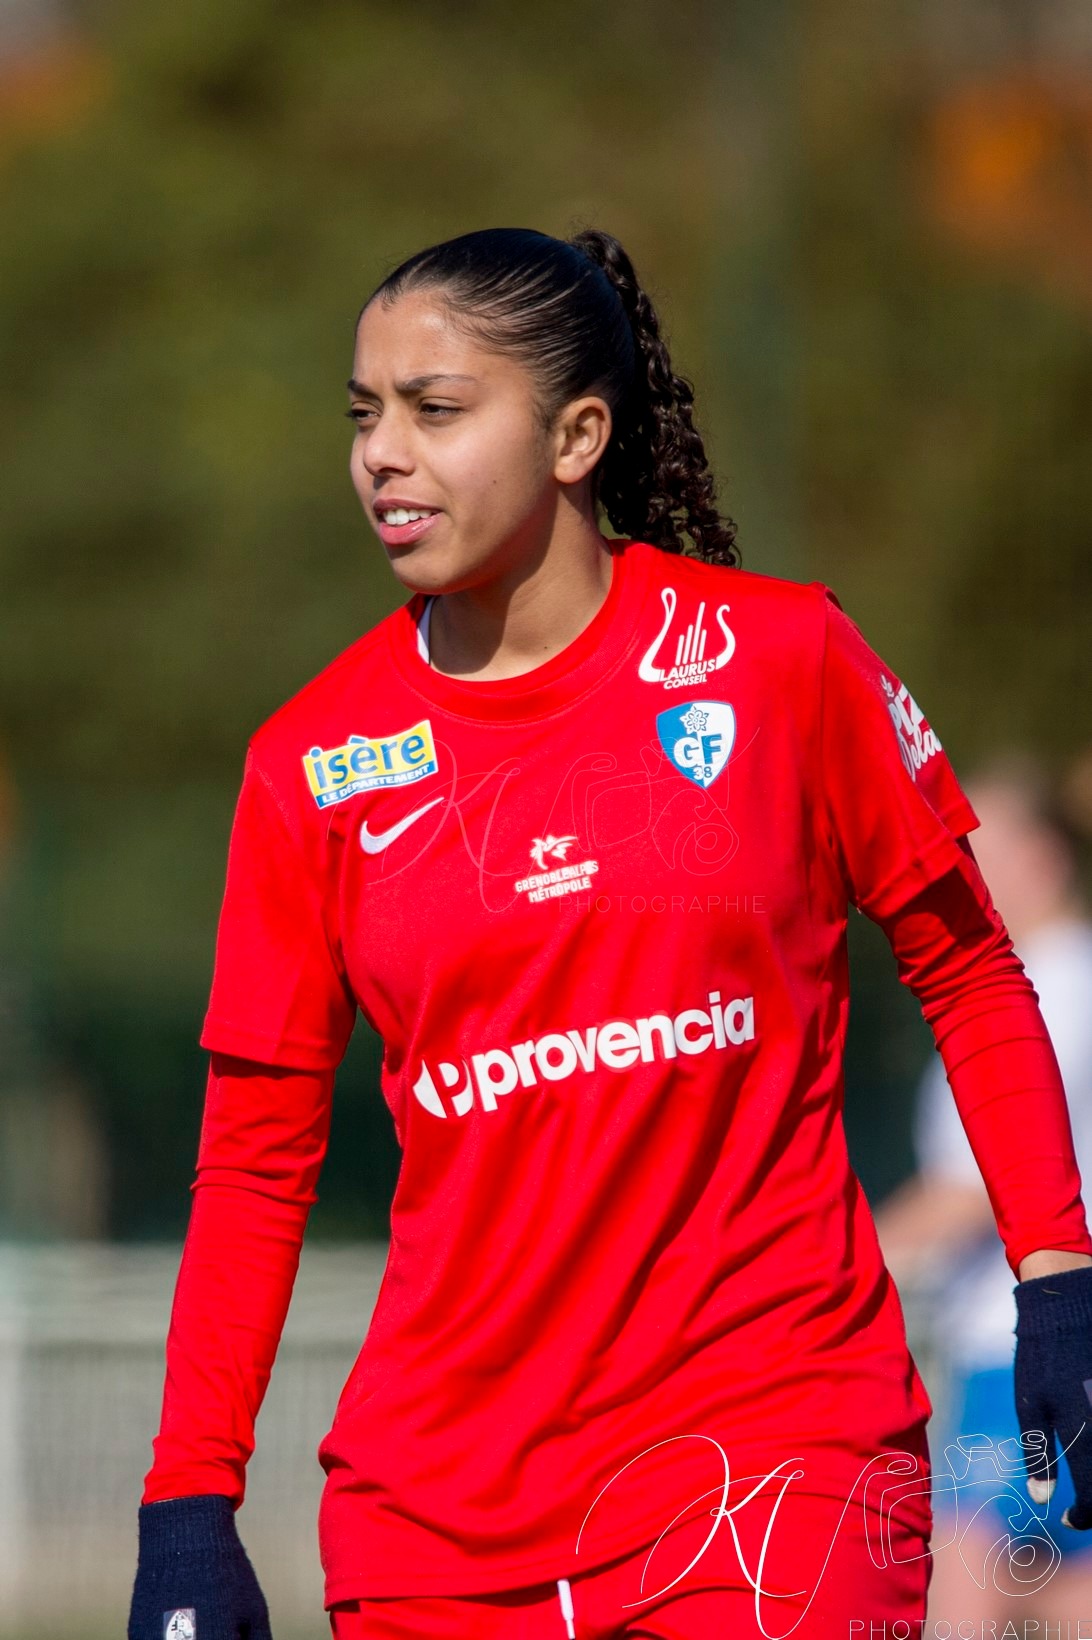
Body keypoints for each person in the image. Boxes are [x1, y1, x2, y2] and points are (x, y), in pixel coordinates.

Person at [127, 227, 1092, 1640]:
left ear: (579, 432)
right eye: (363, 414)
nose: (381, 454)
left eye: (435, 410)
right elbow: (255, 1164)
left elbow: (968, 965)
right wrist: (187, 1501)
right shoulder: (310, 762)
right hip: (437, 1514)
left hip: (775, 1464)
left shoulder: (780, 660)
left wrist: (1056, 1275)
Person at [876, 752, 1092, 1625]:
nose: (965, 865)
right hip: (1007, 1343)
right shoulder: (1029, 980)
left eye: (983, 845)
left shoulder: (1059, 986)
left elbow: (972, 1189)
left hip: (1023, 1345)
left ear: (1047, 856)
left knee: (962, 1600)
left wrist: (842, 1256)